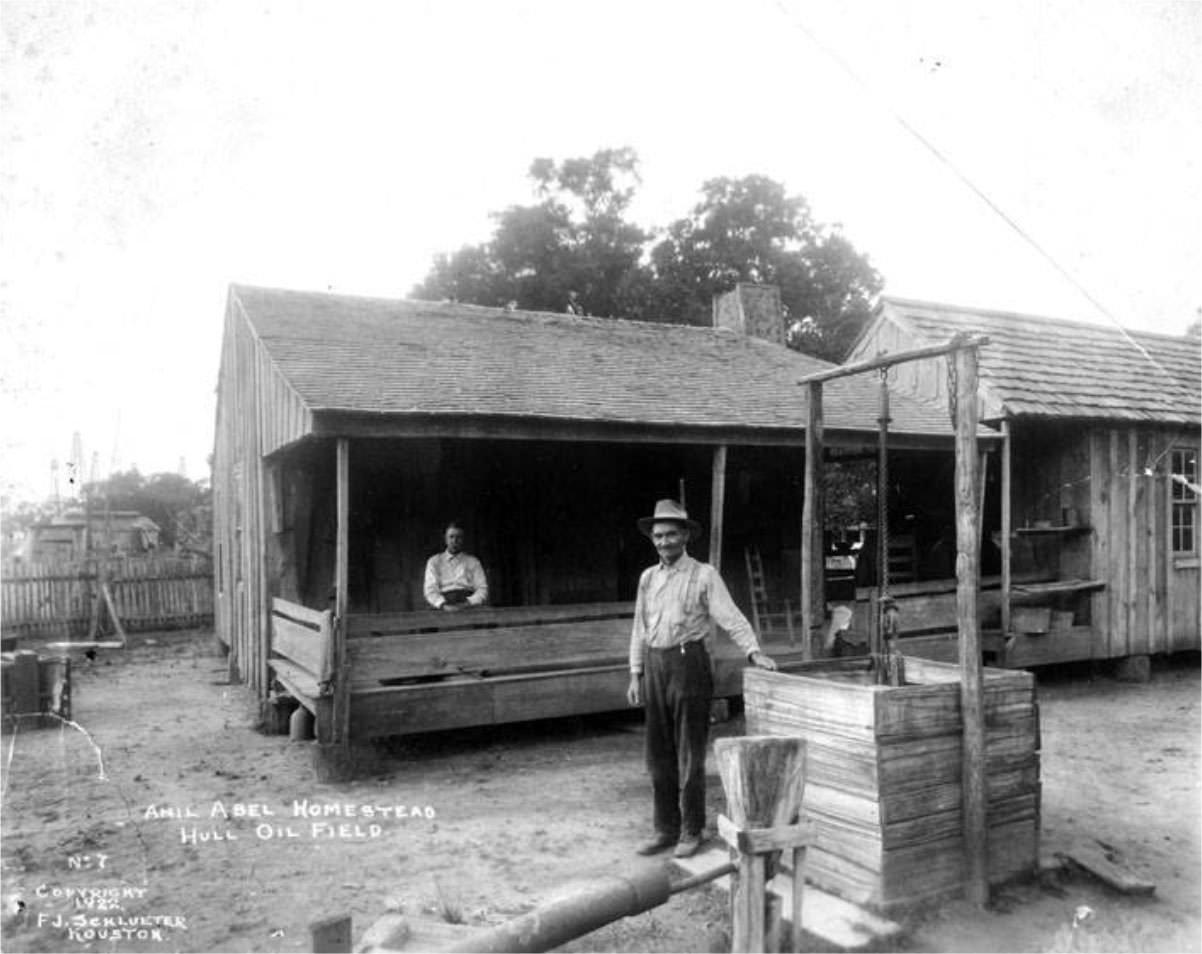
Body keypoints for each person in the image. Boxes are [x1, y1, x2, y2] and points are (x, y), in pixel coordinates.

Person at [626, 499, 777, 859]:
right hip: (654, 666)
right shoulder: (648, 578)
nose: (663, 542)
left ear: (685, 536)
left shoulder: (703, 574)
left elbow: (729, 614)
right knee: (657, 755)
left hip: (688, 664)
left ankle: (692, 831)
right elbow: (639, 628)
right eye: (658, 536)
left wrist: (753, 650)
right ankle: (665, 829)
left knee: (689, 755)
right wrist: (635, 673)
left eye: (670, 535)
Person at [423, 522, 488, 611]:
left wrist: (467, 604)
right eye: (451, 537)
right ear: (445, 539)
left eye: (458, 537)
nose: (454, 541)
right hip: (443, 604)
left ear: (463, 540)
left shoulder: (473, 562)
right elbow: (430, 590)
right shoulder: (434, 561)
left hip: (468, 604)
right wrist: (444, 605)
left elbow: (482, 589)